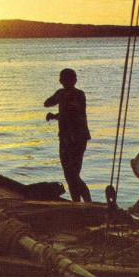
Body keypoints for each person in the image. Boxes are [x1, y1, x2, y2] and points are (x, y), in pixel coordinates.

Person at [44, 68, 92, 203]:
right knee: (69, 174)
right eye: (63, 80)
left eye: (69, 80)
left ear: (75, 80)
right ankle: (76, 202)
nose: (65, 82)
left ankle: (88, 201)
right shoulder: (61, 93)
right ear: (61, 81)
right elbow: (47, 103)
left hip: (77, 138)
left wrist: (55, 115)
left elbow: (72, 114)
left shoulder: (79, 95)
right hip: (65, 138)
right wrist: (60, 96)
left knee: (73, 174)